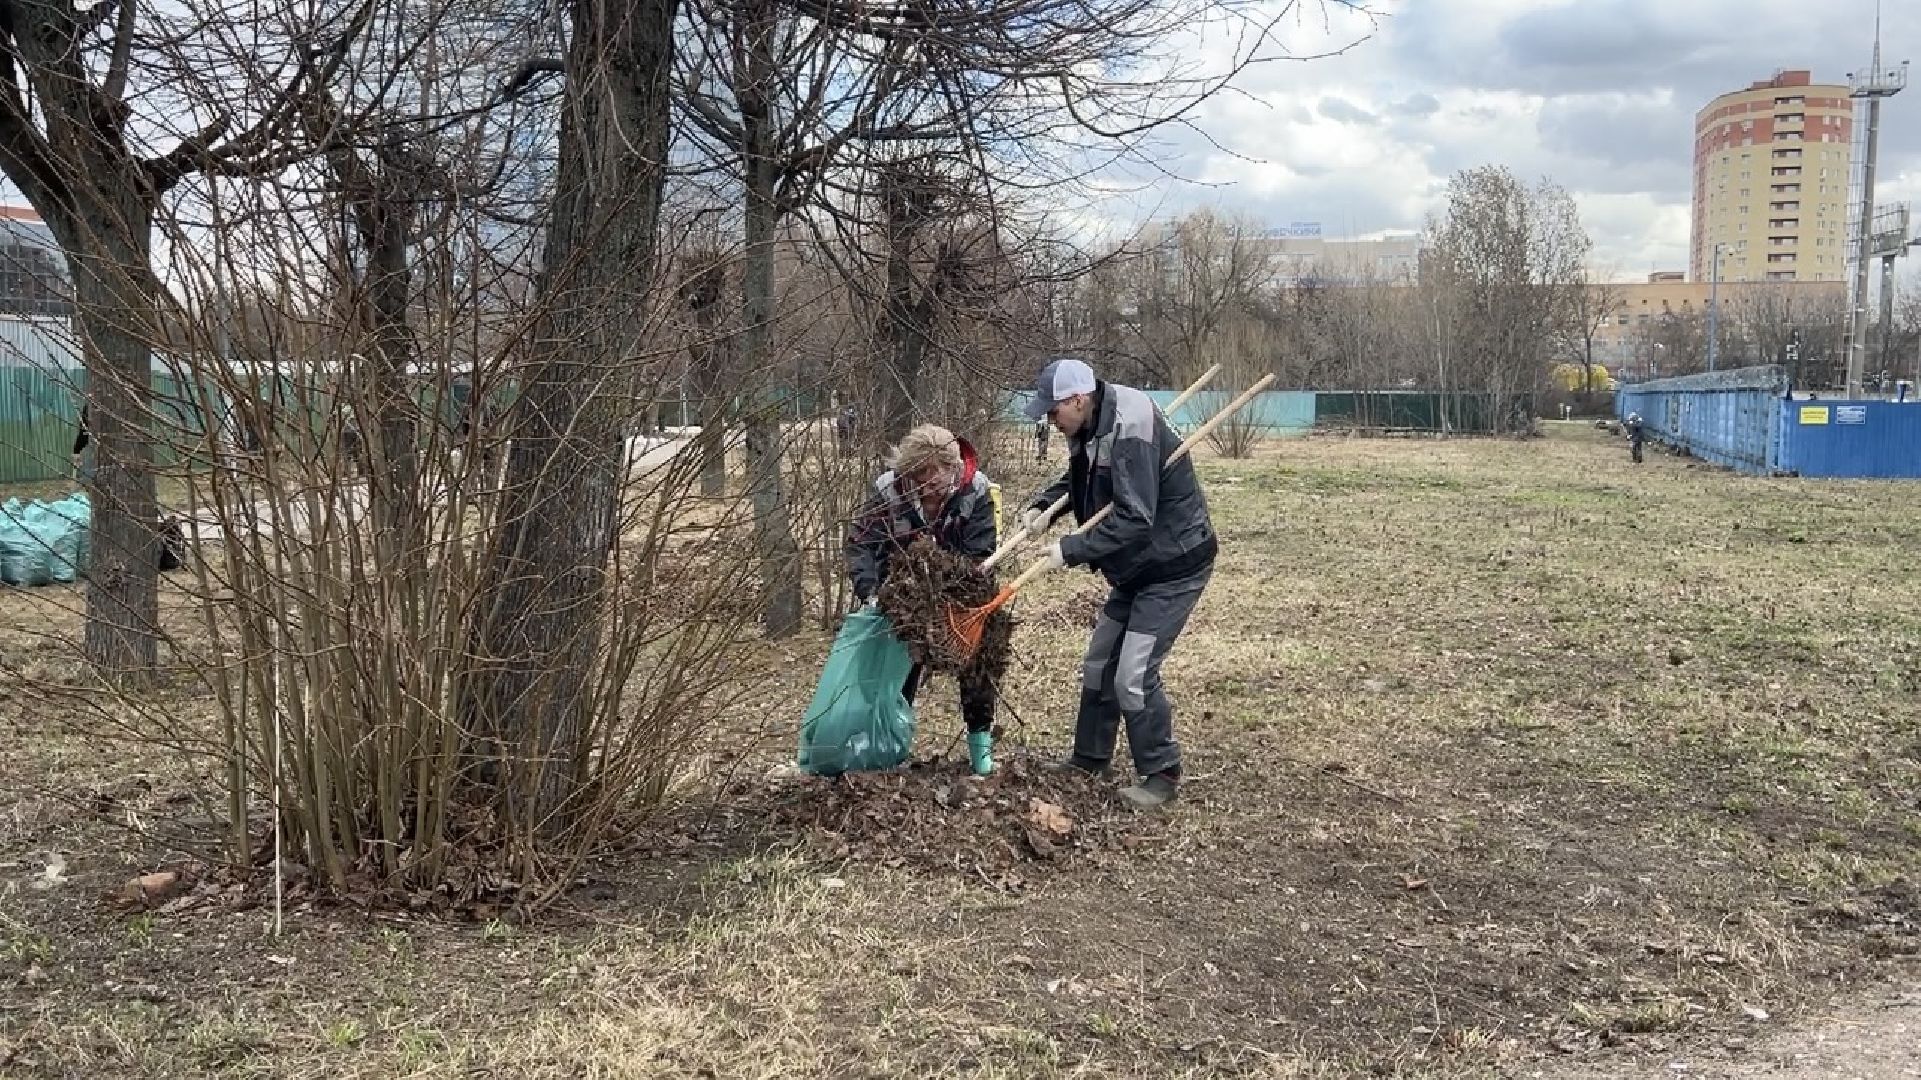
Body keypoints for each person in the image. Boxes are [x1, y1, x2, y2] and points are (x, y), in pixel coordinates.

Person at [1020, 357, 1216, 810]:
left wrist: (1069, 550)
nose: (1051, 421)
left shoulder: (1130, 430)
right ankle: (1090, 758)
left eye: (1053, 412)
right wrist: (1045, 506)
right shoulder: (1088, 423)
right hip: (1133, 568)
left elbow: (1134, 518)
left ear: (1076, 398)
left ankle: (1161, 773)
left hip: (1173, 564)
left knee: (1133, 673)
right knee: (1099, 661)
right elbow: (1083, 479)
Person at [846, 424, 1001, 776]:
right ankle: (888, 747)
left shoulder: (976, 491)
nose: (929, 484)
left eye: (937, 473)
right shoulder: (888, 491)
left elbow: (980, 553)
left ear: (952, 467)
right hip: (903, 594)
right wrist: (872, 592)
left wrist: (948, 590)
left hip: (961, 593)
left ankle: (981, 751)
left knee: (981, 658)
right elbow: (861, 545)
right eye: (920, 475)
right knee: (894, 666)